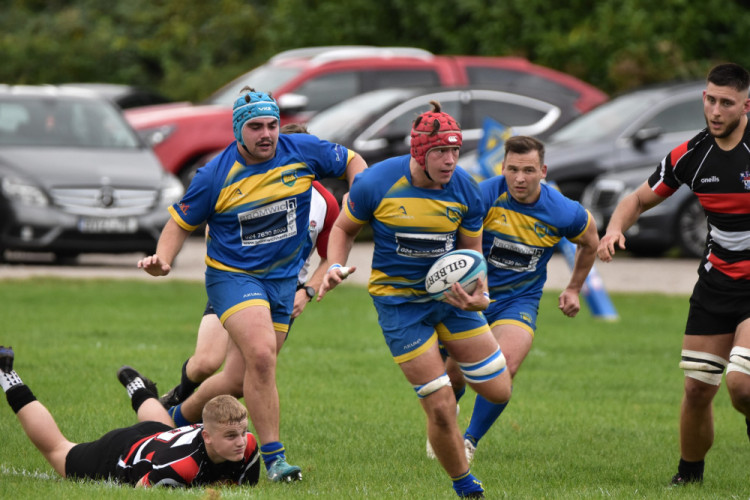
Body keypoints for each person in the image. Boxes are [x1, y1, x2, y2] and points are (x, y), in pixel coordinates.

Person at [137, 87, 366, 482]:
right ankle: (275, 459)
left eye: (272, 125)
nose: (266, 134)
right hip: (233, 278)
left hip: (282, 282)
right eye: (256, 126)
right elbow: (180, 222)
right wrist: (164, 260)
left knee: (240, 378)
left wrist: (360, 197)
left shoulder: (303, 151)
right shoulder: (215, 174)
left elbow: (352, 160)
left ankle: (173, 418)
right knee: (261, 356)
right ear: (238, 130)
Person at [318, 101, 512, 499]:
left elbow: (473, 257)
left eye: (456, 151)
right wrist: (334, 266)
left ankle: (445, 365)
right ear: (418, 152)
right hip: (400, 306)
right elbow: (344, 228)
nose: (450, 160)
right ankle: (464, 485)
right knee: (439, 406)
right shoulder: (376, 183)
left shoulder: (467, 192)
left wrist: (481, 296)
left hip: (451, 302)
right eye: (441, 151)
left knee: (499, 391)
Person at [597, 62, 750, 485]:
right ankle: (688, 478)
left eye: (726, 103)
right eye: (710, 100)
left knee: (742, 386)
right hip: (716, 284)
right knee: (698, 388)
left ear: (745, 106)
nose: (716, 110)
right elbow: (637, 200)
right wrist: (613, 230)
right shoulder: (691, 155)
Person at [437, 135, 599, 462]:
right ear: (503, 167)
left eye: (528, 170)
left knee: (504, 367)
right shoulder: (482, 196)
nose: (519, 178)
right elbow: (446, 236)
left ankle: (468, 442)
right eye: (512, 169)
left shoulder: (564, 211)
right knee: (453, 374)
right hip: (470, 296)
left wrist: (572, 288)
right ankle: (444, 426)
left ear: (543, 170)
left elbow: (590, 241)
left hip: (519, 301)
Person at [159, 124, 340, 409]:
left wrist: (306, 292)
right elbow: (209, 227)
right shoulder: (247, 180)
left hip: (282, 290)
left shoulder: (326, 203)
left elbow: (331, 255)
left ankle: (180, 418)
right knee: (206, 362)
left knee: (238, 381)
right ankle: (180, 395)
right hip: (237, 280)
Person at [0, 345, 260, 487]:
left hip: (157, 435)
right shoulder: (179, 466)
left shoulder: (248, 446)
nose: (240, 441)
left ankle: (136, 385)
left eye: (241, 432)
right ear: (207, 435)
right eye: (230, 435)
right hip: (121, 451)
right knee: (59, 450)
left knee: (162, 425)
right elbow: (140, 491)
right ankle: (8, 376)